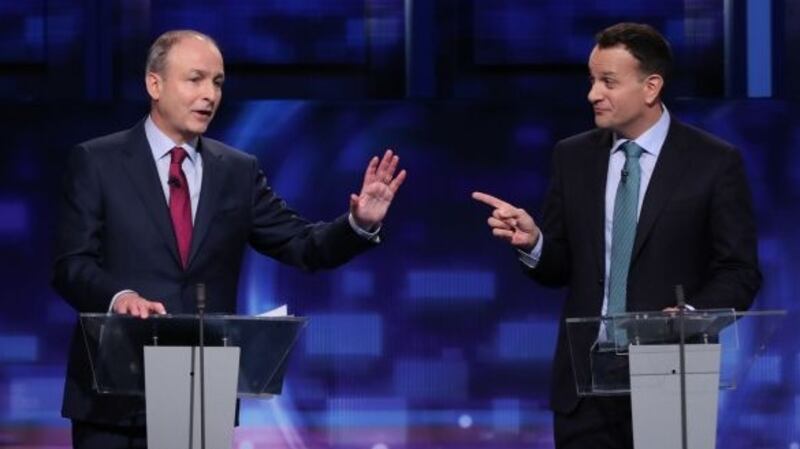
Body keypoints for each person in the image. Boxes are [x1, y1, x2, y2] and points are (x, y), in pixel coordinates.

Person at [52, 29, 406, 449]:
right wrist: (119, 297)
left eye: (217, 83)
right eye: (195, 79)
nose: (210, 95)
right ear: (154, 84)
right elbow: (71, 265)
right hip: (113, 391)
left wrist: (358, 224)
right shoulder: (97, 161)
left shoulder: (237, 171)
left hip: (199, 390)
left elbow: (304, 245)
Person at [473, 22, 760, 448]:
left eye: (608, 82)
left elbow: (739, 271)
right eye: (591, 80)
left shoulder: (713, 163)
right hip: (585, 386)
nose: (593, 94)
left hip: (671, 377)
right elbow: (559, 268)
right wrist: (534, 243)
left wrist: (691, 316)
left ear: (651, 87)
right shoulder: (572, 157)